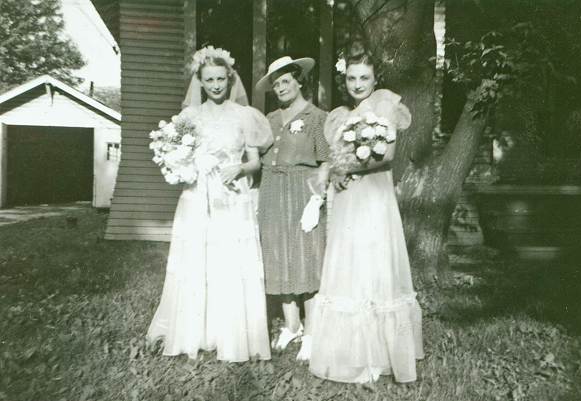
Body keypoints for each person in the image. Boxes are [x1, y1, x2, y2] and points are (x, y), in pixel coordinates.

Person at [147, 46, 273, 362]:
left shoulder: (243, 115)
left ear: (230, 79)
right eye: (209, 80)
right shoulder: (189, 117)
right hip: (197, 194)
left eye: (220, 79)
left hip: (232, 194)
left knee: (229, 260)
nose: (215, 85)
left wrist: (240, 168)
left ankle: (230, 333)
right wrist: (185, 167)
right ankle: (195, 331)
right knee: (198, 258)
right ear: (200, 82)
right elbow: (175, 155)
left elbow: (256, 162)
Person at [308, 45, 424, 383]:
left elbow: (386, 154)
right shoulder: (341, 115)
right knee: (350, 262)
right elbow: (335, 154)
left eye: (364, 77)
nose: (358, 84)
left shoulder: (383, 104)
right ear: (344, 79)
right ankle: (351, 352)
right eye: (351, 77)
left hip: (373, 195)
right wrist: (333, 168)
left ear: (375, 79)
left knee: (374, 261)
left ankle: (383, 353)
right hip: (347, 199)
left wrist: (344, 166)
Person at [255, 56, 330, 360]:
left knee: (305, 256)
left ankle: (312, 332)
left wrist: (317, 198)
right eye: (276, 83)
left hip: (303, 189)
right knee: (278, 255)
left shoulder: (316, 117)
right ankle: (292, 325)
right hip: (272, 188)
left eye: (286, 80)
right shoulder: (269, 119)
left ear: (300, 81)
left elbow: (325, 160)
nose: (281, 87)